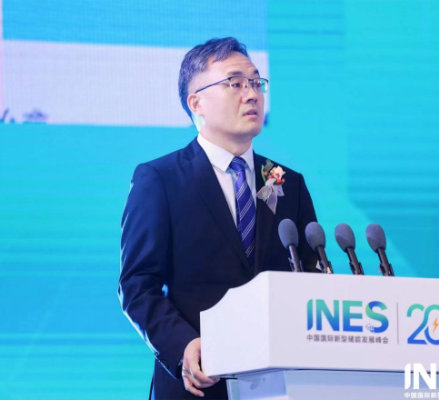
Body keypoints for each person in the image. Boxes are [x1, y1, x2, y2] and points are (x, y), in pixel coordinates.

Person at [118, 37, 319, 400]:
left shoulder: (286, 182)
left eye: (256, 82)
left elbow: (309, 275)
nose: (252, 94)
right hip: (200, 382)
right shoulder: (160, 179)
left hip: (283, 384)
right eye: (235, 83)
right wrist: (181, 345)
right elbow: (137, 284)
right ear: (196, 102)